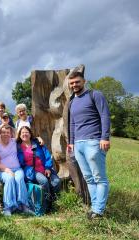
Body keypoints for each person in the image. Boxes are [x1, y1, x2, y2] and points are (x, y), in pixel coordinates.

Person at [67, 70, 111, 219]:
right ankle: (94, 208)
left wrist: (105, 137)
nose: (74, 85)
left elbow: (105, 115)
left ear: (84, 81)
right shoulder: (72, 102)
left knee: (100, 178)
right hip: (78, 145)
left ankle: (98, 211)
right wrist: (71, 143)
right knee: (89, 179)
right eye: (71, 83)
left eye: (77, 82)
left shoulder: (95, 95)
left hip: (94, 141)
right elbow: (72, 124)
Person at [16, 126, 61, 212]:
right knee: (44, 181)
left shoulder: (37, 143)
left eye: (27, 132)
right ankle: (45, 205)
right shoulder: (18, 147)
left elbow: (47, 155)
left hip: (44, 168)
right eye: (22, 133)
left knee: (56, 182)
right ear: (19, 135)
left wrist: (48, 167)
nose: (25, 134)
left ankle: (55, 203)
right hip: (31, 171)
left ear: (30, 134)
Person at [0, 124, 34, 216]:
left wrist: (39, 139)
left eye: (8, 132)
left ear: (11, 134)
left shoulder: (14, 142)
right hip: (2, 171)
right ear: (0, 133)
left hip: (17, 169)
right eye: (3, 132)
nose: (5, 134)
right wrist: (7, 170)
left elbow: (24, 136)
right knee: (9, 179)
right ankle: (8, 207)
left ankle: (24, 206)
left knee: (19, 179)